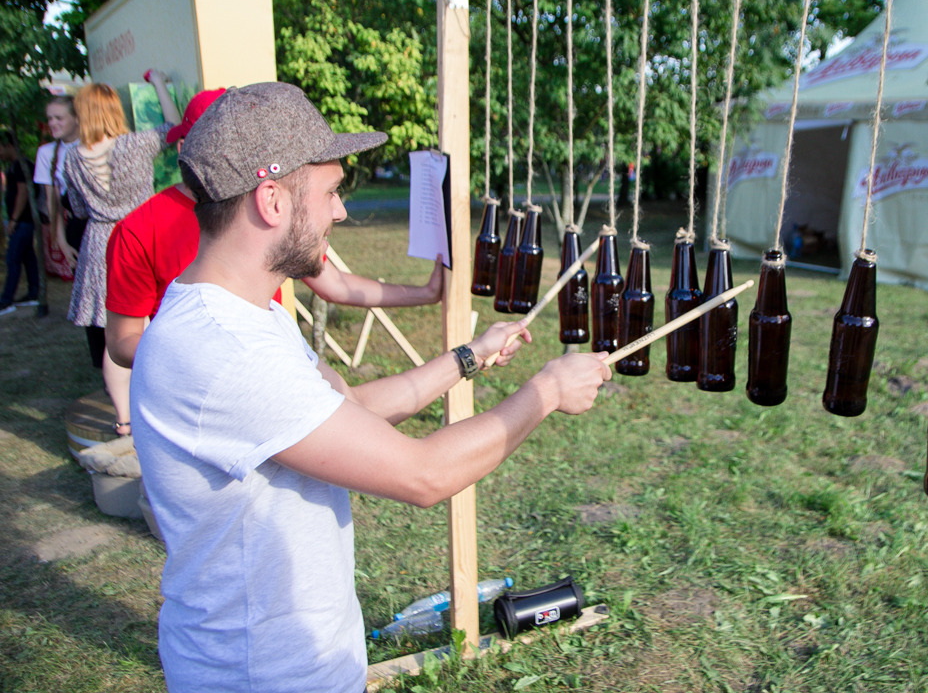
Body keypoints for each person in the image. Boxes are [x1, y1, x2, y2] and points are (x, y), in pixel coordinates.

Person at [131, 82, 611, 692]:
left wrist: (468, 356)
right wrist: (546, 392)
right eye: (330, 192)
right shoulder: (223, 352)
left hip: (306, 662)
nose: (341, 211)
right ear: (271, 200)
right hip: (260, 676)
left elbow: (347, 406)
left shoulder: (252, 313)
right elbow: (423, 475)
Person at [104, 88, 443, 368]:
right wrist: (208, 358)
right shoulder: (137, 230)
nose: (339, 211)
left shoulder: (272, 226)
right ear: (185, 151)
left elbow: (334, 284)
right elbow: (122, 341)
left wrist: (425, 294)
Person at [62, 72, 182, 435]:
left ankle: (123, 418)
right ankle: (156, 405)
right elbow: (175, 127)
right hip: (141, 232)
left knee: (116, 337)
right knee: (145, 329)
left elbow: (79, 210)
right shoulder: (136, 144)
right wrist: (158, 82)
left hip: (99, 240)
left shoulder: (72, 157)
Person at [34, 95, 83, 281]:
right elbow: (52, 203)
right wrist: (62, 242)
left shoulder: (95, 145)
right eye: (50, 118)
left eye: (59, 118)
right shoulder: (46, 153)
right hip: (76, 230)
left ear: (77, 118)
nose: (52, 123)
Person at [1, 130, 39, 314]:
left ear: (8, 145)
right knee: (27, 257)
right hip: (22, 221)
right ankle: (34, 293)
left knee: (13, 258)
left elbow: (23, 192)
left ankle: (6, 300)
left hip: (23, 221)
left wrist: (14, 219)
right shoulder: (14, 166)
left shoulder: (21, 165)